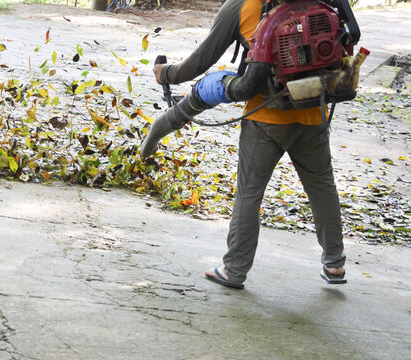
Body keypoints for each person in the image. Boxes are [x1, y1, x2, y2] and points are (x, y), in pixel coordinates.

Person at [146, 0, 347, 289]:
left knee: (249, 193)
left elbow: (200, 62)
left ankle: (234, 270)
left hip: (265, 117)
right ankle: (335, 264)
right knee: (322, 186)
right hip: (314, 110)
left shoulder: (242, 6)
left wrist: (167, 73)